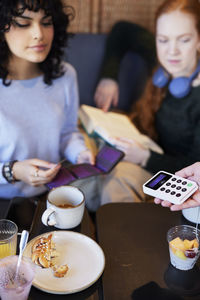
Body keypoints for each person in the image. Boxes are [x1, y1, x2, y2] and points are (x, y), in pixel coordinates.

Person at [91, 0, 200, 205]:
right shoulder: (162, 62)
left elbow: (195, 166)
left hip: (171, 173)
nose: (171, 51)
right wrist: (109, 77)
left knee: (118, 180)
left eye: (184, 40)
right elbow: (121, 30)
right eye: (163, 40)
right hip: (141, 143)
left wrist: (145, 158)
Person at [0, 0, 94, 200]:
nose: (39, 34)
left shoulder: (65, 75)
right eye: (23, 24)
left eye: (46, 22)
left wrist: (80, 153)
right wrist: (13, 171)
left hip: (51, 195)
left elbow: (67, 133)